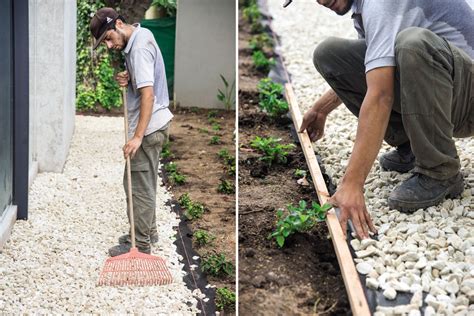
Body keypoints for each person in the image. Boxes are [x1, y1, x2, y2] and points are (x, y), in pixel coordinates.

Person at [297, 0, 474, 239]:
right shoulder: (364, 8)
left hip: (468, 100)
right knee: (330, 54)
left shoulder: (380, 3)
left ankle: (440, 170)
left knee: (413, 45)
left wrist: (352, 185)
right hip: (446, 88)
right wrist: (321, 109)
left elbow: (380, 95)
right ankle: (413, 147)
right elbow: (376, 67)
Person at [90, 7, 173, 256]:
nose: (108, 45)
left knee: (137, 187)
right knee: (144, 184)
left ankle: (141, 243)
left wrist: (137, 136)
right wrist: (131, 76)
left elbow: (148, 94)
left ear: (118, 24)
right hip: (156, 125)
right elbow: (148, 77)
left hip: (148, 131)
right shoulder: (142, 35)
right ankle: (150, 231)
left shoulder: (136, 49)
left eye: (108, 38)